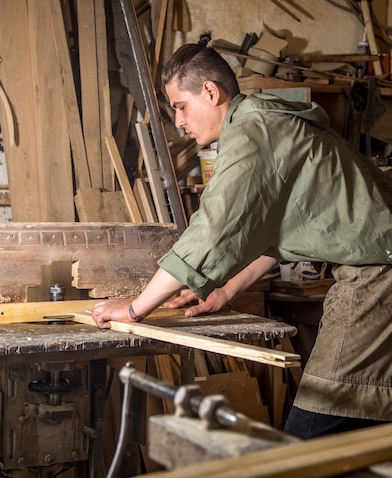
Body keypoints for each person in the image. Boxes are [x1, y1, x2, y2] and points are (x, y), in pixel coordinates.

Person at [91, 40, 392, 439]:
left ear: (211, 92)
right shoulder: (268, 122)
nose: (179, 122)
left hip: (376, 277)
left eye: (180, 106)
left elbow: (212, 230)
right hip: (377, 268)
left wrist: (134, 310)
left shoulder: (252, 132)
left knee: (311, 437)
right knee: (365, 428)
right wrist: (226, 290)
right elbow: (283, 225)